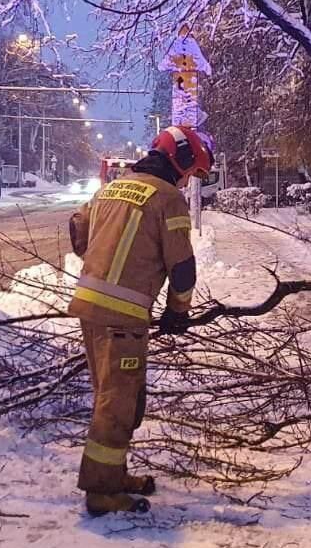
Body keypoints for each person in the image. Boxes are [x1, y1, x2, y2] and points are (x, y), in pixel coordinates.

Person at [67, 126, 215, 514]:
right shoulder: (167, 198)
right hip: (123, 316)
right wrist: (176, 313)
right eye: (189, 172)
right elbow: (182, 268)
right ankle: (101, 492)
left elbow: (77, 229)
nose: (186, 181)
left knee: (111, 397)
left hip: (90, 307)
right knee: (118, 404)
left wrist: (107, 263)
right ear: (180, 161)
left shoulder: (113, 187)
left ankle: (114, 476)